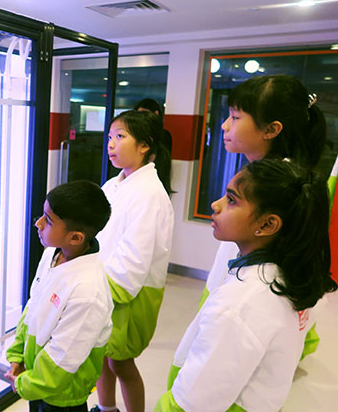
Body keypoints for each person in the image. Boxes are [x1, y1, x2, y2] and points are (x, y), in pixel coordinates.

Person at [155, 159, 337, 412]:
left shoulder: (241, 303)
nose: (215, 205)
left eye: (231, 200)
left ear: (267, 224)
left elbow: (192, 403)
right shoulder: (287, 277)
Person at [198, 75, 328, 360]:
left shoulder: (283, 189)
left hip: (248, 307)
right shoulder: (262, 176)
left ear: (271, 129)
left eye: (235, 117)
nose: (224, 125)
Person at [5, 180, 114, 412]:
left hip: (63, 395)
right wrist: (18, 355)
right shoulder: (51, 255)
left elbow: (63, 356)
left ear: (75, 238)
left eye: (49, 221)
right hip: (38, 379)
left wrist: (26, 384)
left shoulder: (88, 292)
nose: (38, 223)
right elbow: (33, 308)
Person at [91, 110, 174, 412]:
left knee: (121, 362)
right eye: (110, 136)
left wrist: (107, 288)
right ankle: (106, 408)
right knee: (100, 351)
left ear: (144, 145)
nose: (111, 144)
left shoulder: (150, 193)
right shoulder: (116, 184)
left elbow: (135, 254)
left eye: (120, 136)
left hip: (127, 291)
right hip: (104, 284)